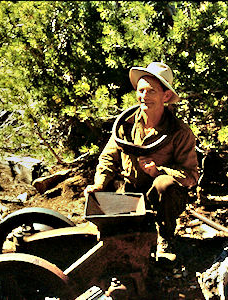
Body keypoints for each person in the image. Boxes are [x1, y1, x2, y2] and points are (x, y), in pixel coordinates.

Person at [84, 62, 199, 260]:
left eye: (151, 91)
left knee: (165, 184)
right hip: (129, 191)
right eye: (141, 90)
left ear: (166, 96)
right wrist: (99, 184)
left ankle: (165, 236)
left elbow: (191, 176)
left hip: (161, 198)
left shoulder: (180, 132)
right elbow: (108, 158)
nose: (144, 97)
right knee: (100, 195)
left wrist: (158, 172)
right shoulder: (125, 125)